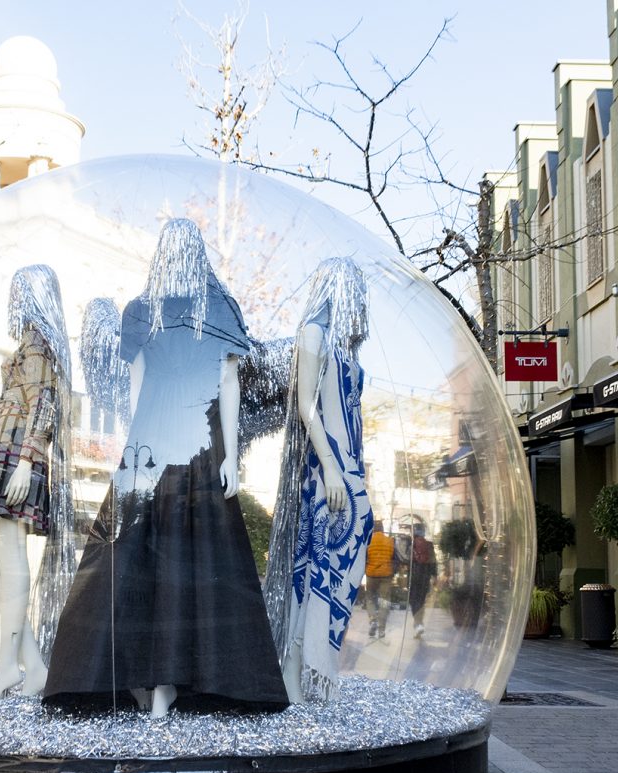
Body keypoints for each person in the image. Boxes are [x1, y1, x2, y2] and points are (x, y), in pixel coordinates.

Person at [44, 219, 288, 718]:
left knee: (148, 557)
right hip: (187, 444)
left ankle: (160, 681)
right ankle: (168, 681)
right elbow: (222, 388)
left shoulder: (166, 310)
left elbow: (215, 386)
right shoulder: (193, 309)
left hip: (168, 443)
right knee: (177, 558)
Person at [264, 258, 375, 703]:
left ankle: (317, 667)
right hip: (326, 470)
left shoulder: (347, 347)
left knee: (347, 567)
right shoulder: (313, 333)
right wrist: (329, 465)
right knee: (311, 569)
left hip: (351, 470)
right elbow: (307, 405)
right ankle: (293, 669)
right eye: (354, 289)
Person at [0, 264, 75, 702]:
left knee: (9, 561)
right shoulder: (28, 342)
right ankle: (31, 665)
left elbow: (45, 406)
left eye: (20, 293)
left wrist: (25, 460)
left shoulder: (38, 343)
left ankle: (5, 666)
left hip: (18, 455)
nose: (14, 301)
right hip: (5, 453)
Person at [362, 521, 395, 639]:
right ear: (382, 528)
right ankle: (381, 629)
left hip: (371, 574)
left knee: (370, 598)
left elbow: (364, 558)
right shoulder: (390, 541)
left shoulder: (368, 541)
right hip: (386, 575)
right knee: (384, 602)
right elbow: (394, 558)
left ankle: (372, 620)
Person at [408, 524, 437, 639]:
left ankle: (418, 624)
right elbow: (433, 562)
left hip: (414, 576)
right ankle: (419, 624)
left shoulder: (412, 544)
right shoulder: (429, 545)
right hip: (425, 576)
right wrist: (434, 576)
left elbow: (406, 559)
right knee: (421, 600)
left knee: (413, 600)